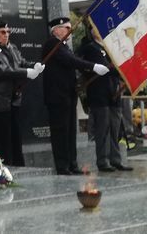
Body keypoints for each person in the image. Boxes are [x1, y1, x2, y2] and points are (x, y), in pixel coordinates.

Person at [42, 16, 109, 175]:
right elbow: (70, 60)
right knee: (60, 132)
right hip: (57, 96)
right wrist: (93, 66)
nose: (69, 31)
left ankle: (72, 163)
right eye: (66, 28)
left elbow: (73, 61)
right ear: (56, 30)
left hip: (68, 94)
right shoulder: (52, 44)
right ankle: (62, 165)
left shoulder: (63, 45)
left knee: (71, 132)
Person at [0, 19, 45, 166]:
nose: (6, 35)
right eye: (2, 32)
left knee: (16, 137)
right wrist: (26, 72)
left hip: (14, 99)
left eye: (8, 32)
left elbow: (21, 62)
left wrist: (34, 65)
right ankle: (6, 167)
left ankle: (18, 165)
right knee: (3, 140)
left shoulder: (12, 47)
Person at [77, 26, 133, 172]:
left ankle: (116, 160)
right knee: (103, 129)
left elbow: (118, 68)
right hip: (98, 93)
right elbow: (87, 66)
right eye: (96, 28)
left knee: (115, 128)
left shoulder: (112, 48)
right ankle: (103, 161)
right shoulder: (90, 48)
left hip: (113, 92)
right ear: (91, 31)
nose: (100, 31)